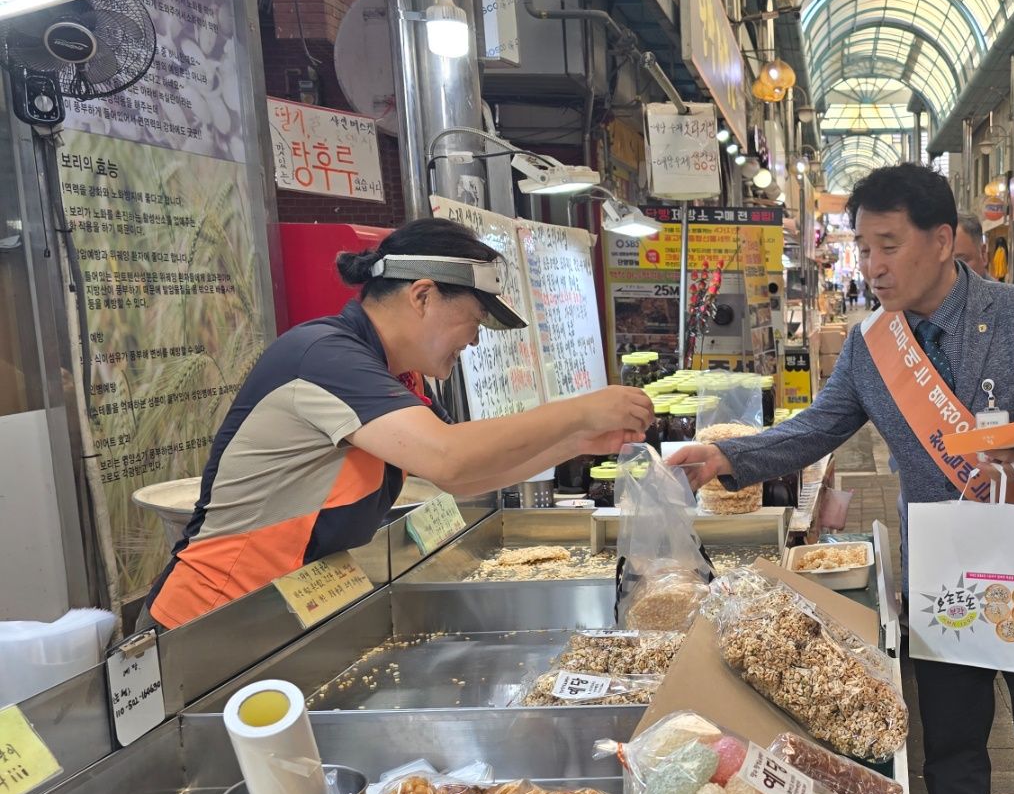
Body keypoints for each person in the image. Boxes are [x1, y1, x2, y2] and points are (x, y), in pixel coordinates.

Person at [668, 163, 1014, 794]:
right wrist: (726, 454)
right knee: (949, 745)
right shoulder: (875, 345)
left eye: (888, 245)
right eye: (862, 246)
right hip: (944, 574)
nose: (871, 265)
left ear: (942, 242)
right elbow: (817, 429)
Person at [144, 218, 654, 629]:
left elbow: (456, 478)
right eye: (474, 321)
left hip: (282, 611)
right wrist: (582, 409)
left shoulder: (395, 374)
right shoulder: (326, 356)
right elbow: (446, 454)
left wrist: (576, 441)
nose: (474, 341)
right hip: (209, 619)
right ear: (423, 295)